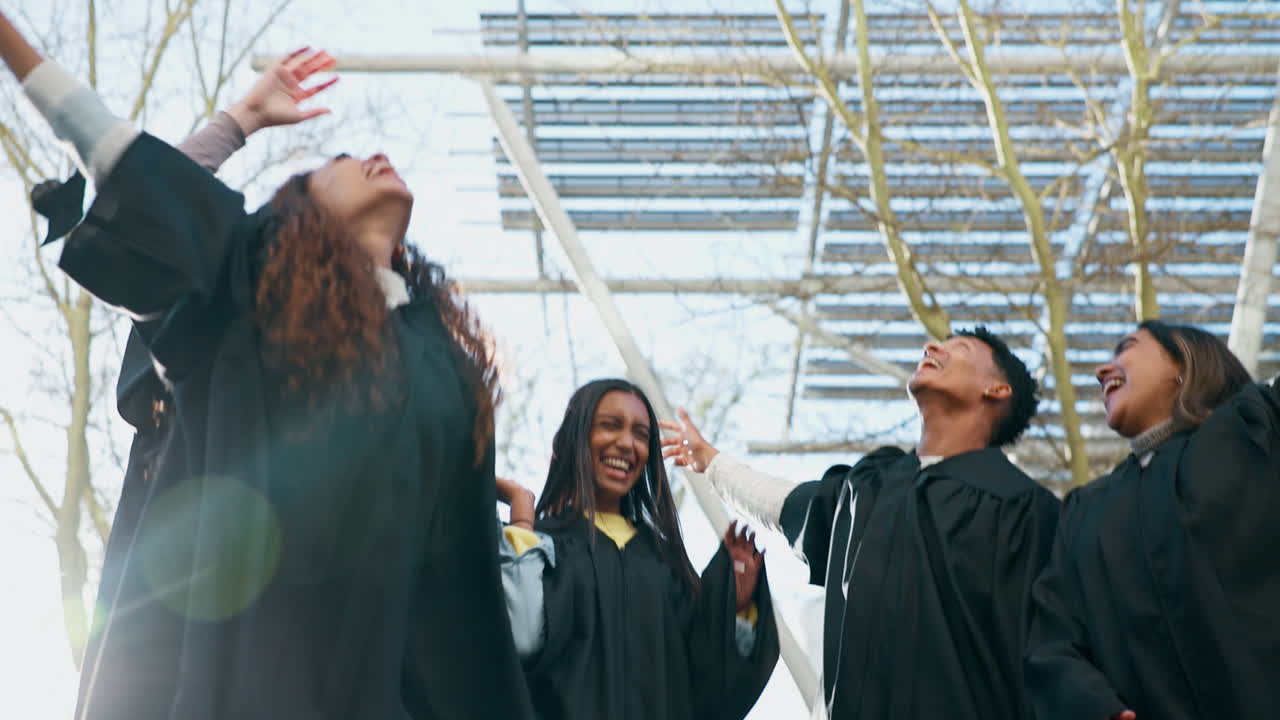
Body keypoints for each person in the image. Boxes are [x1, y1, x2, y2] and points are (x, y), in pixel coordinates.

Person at [0, 14, 534, 720]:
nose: (370, 153)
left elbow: (465, 606)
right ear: (299, 219)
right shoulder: (254, 294)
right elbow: (135, 174)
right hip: (234, 681)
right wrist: (241, 118)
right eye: (336, 158)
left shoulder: (449, 374)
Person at [663, 328, 1060, 719]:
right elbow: (787, 505)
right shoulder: (869, 487)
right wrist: (710, 463)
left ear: (996, 389)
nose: (932, 346)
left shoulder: (1027, 511)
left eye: (960, 347)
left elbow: (1053, 652)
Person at [1025, 321, 1280, 720]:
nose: (1101, 371)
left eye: (1126, 348)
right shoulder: (1084, 512)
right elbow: (1055, 641)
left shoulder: (1257, 429)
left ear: (1184, 363)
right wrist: (1097, 706)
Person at [495, 378, 780, 720]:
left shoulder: (664, 563)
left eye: (641, 434)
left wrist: (736, 607)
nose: (626, 443)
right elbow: (512, 647)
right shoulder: (544, 546)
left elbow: (711, 689)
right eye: (609, 426)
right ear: (576, 438)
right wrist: (522, 522)